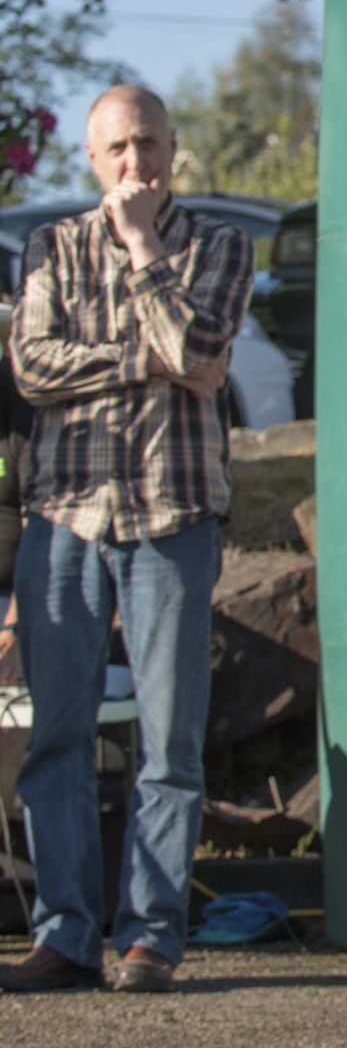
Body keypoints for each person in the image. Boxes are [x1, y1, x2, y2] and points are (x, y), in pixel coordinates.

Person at [0, 85, 249, 996]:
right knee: (56, 736)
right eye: (116, 149)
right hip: (64, 515)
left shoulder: (216, 243)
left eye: (147, 144)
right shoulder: (51, 245)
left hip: (172, 517)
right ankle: (64, 933)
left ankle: (151, 936)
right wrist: (148, 357)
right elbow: (29, 368)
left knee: (168, 743)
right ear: (91, 159)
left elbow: (201, 351)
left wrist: (146, 251)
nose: (133, 165)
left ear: (173, 148)